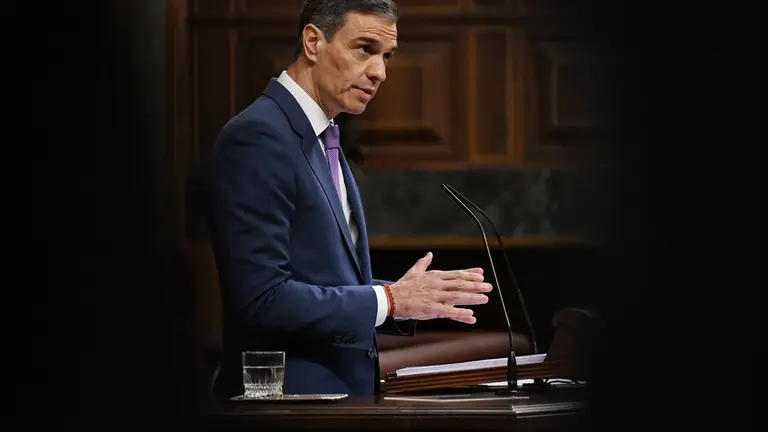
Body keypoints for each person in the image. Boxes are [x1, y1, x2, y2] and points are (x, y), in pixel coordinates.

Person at [209, 0, 493, 399]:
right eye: (365, 49)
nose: (380, 72)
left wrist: (408, 298)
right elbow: (262, 298)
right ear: (313, 42)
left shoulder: (324, 137)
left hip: (340, 401)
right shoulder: (259, 137)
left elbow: (324, 280)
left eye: (387, 56)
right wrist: (388, 300)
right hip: (287, 408)